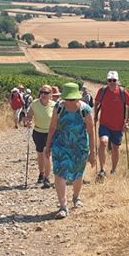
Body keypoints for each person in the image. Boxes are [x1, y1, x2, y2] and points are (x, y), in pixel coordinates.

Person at [45, 82, 97, 219]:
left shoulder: (85, 110)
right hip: (61, 146)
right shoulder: (59, 107)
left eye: (72, 99)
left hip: (79, 148)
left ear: (77, 98)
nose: (69, 102)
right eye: (67, 99)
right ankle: (63, 206)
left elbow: (91, 132)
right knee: (59, 174)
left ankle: (76, 196)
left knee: (77, 174)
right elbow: (52, 127)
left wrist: (93, 153)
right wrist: (48, 145)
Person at [94, 70, 129, 182]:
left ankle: (113, 170)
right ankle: (102, 170)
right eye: (109, 80)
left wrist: (127, 122)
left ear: (118, 81)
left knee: (115, 148)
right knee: (103, 142)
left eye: (114, 80)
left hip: (118, 126)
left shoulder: (123, 92)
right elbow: (97, 102)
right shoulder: (102, 91)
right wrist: (95, 115)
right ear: (107, 81)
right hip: (104, 124)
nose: (112, 82)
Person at [25, 85, 56, 189]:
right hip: (38, 132)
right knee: (40, 154)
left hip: (50, 134)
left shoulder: (54, 106)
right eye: (42, 92)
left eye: (46, 93)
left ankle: (47, 178)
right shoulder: (35, 104)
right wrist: (28, 122)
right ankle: (41, 173)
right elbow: (29, 116)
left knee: (47, 154)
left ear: (51, 95)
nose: (43, 94)